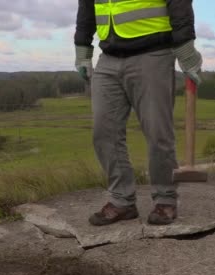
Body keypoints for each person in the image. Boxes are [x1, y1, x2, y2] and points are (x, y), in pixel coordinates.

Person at [74, 0, 202, 226]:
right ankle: (122, 200)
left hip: (153, 53)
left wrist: (185, 48)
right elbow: (87, 6)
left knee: (157, 131)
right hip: (109, 56)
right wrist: (82, 48)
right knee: (104, 132)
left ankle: (165, 199)